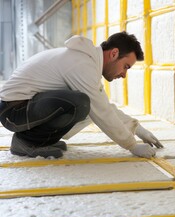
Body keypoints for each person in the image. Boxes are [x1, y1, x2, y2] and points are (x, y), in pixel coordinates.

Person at [0, 31, 163, 159]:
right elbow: (101, 111)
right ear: (114, 54)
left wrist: (137, 128)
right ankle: (27, 142)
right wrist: (131, 145)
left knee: (89, 105)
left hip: (22, 108)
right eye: (126, 66)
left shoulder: (87, 62)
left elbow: (104, 106)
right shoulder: (82, 64)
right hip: (13, 110)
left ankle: (40, 140)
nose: (124, 74)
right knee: (81, 103)